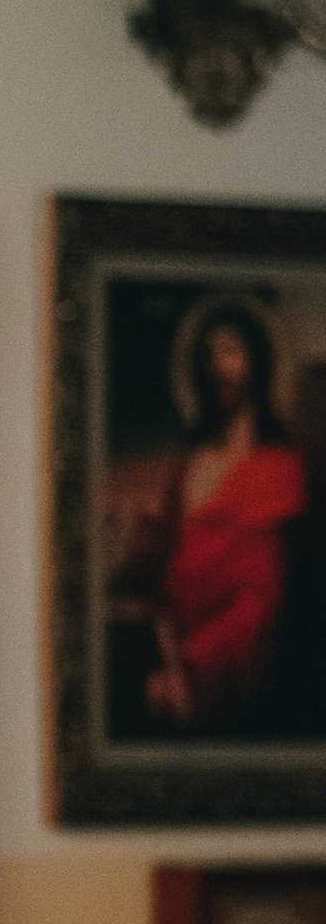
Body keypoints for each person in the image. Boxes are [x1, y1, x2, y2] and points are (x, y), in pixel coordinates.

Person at [140, 300, 307, 733]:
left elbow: (261, 597)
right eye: (209, 354)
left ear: (257, 361)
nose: (218, 366)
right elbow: (171, 562)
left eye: (230, 351)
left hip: (228, 667)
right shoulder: (192, 462)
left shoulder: (279, 467)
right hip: (171, 649)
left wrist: (190, 668)